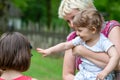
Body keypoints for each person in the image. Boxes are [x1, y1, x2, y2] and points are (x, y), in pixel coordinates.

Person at [37, 9, 119, 80]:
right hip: (83, 75)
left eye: (80, 30)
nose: (77, 33)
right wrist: (50, 50)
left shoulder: (104, 42)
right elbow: (65, 45)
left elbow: (115, 57)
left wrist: (106, 71)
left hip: (99, 76)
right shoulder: (81, 39)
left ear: (93, 30)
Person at [58, 0, 120, 80]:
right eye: (68, 21)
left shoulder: (111, 28)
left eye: (74, 17)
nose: (72, 24)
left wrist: (82, 51)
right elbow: (67, 75)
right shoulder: (73, 37)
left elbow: (118, 64)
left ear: (87, 11)